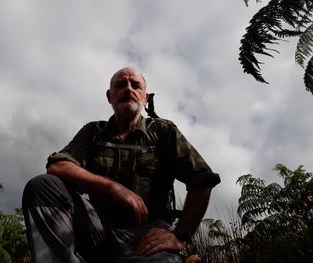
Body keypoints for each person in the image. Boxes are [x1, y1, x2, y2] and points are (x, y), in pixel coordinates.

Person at [22, 67, 220, 263]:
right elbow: (58, 166)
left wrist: (179, 236)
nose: (128, 88)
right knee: (42, 186)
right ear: (110, 96)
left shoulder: (162, 130)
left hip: (147, 235)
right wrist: (112, 188)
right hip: (96, 228)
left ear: (145, 98)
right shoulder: (94, 131)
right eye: (120, 85)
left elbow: (202, 179)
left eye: (135, 85)